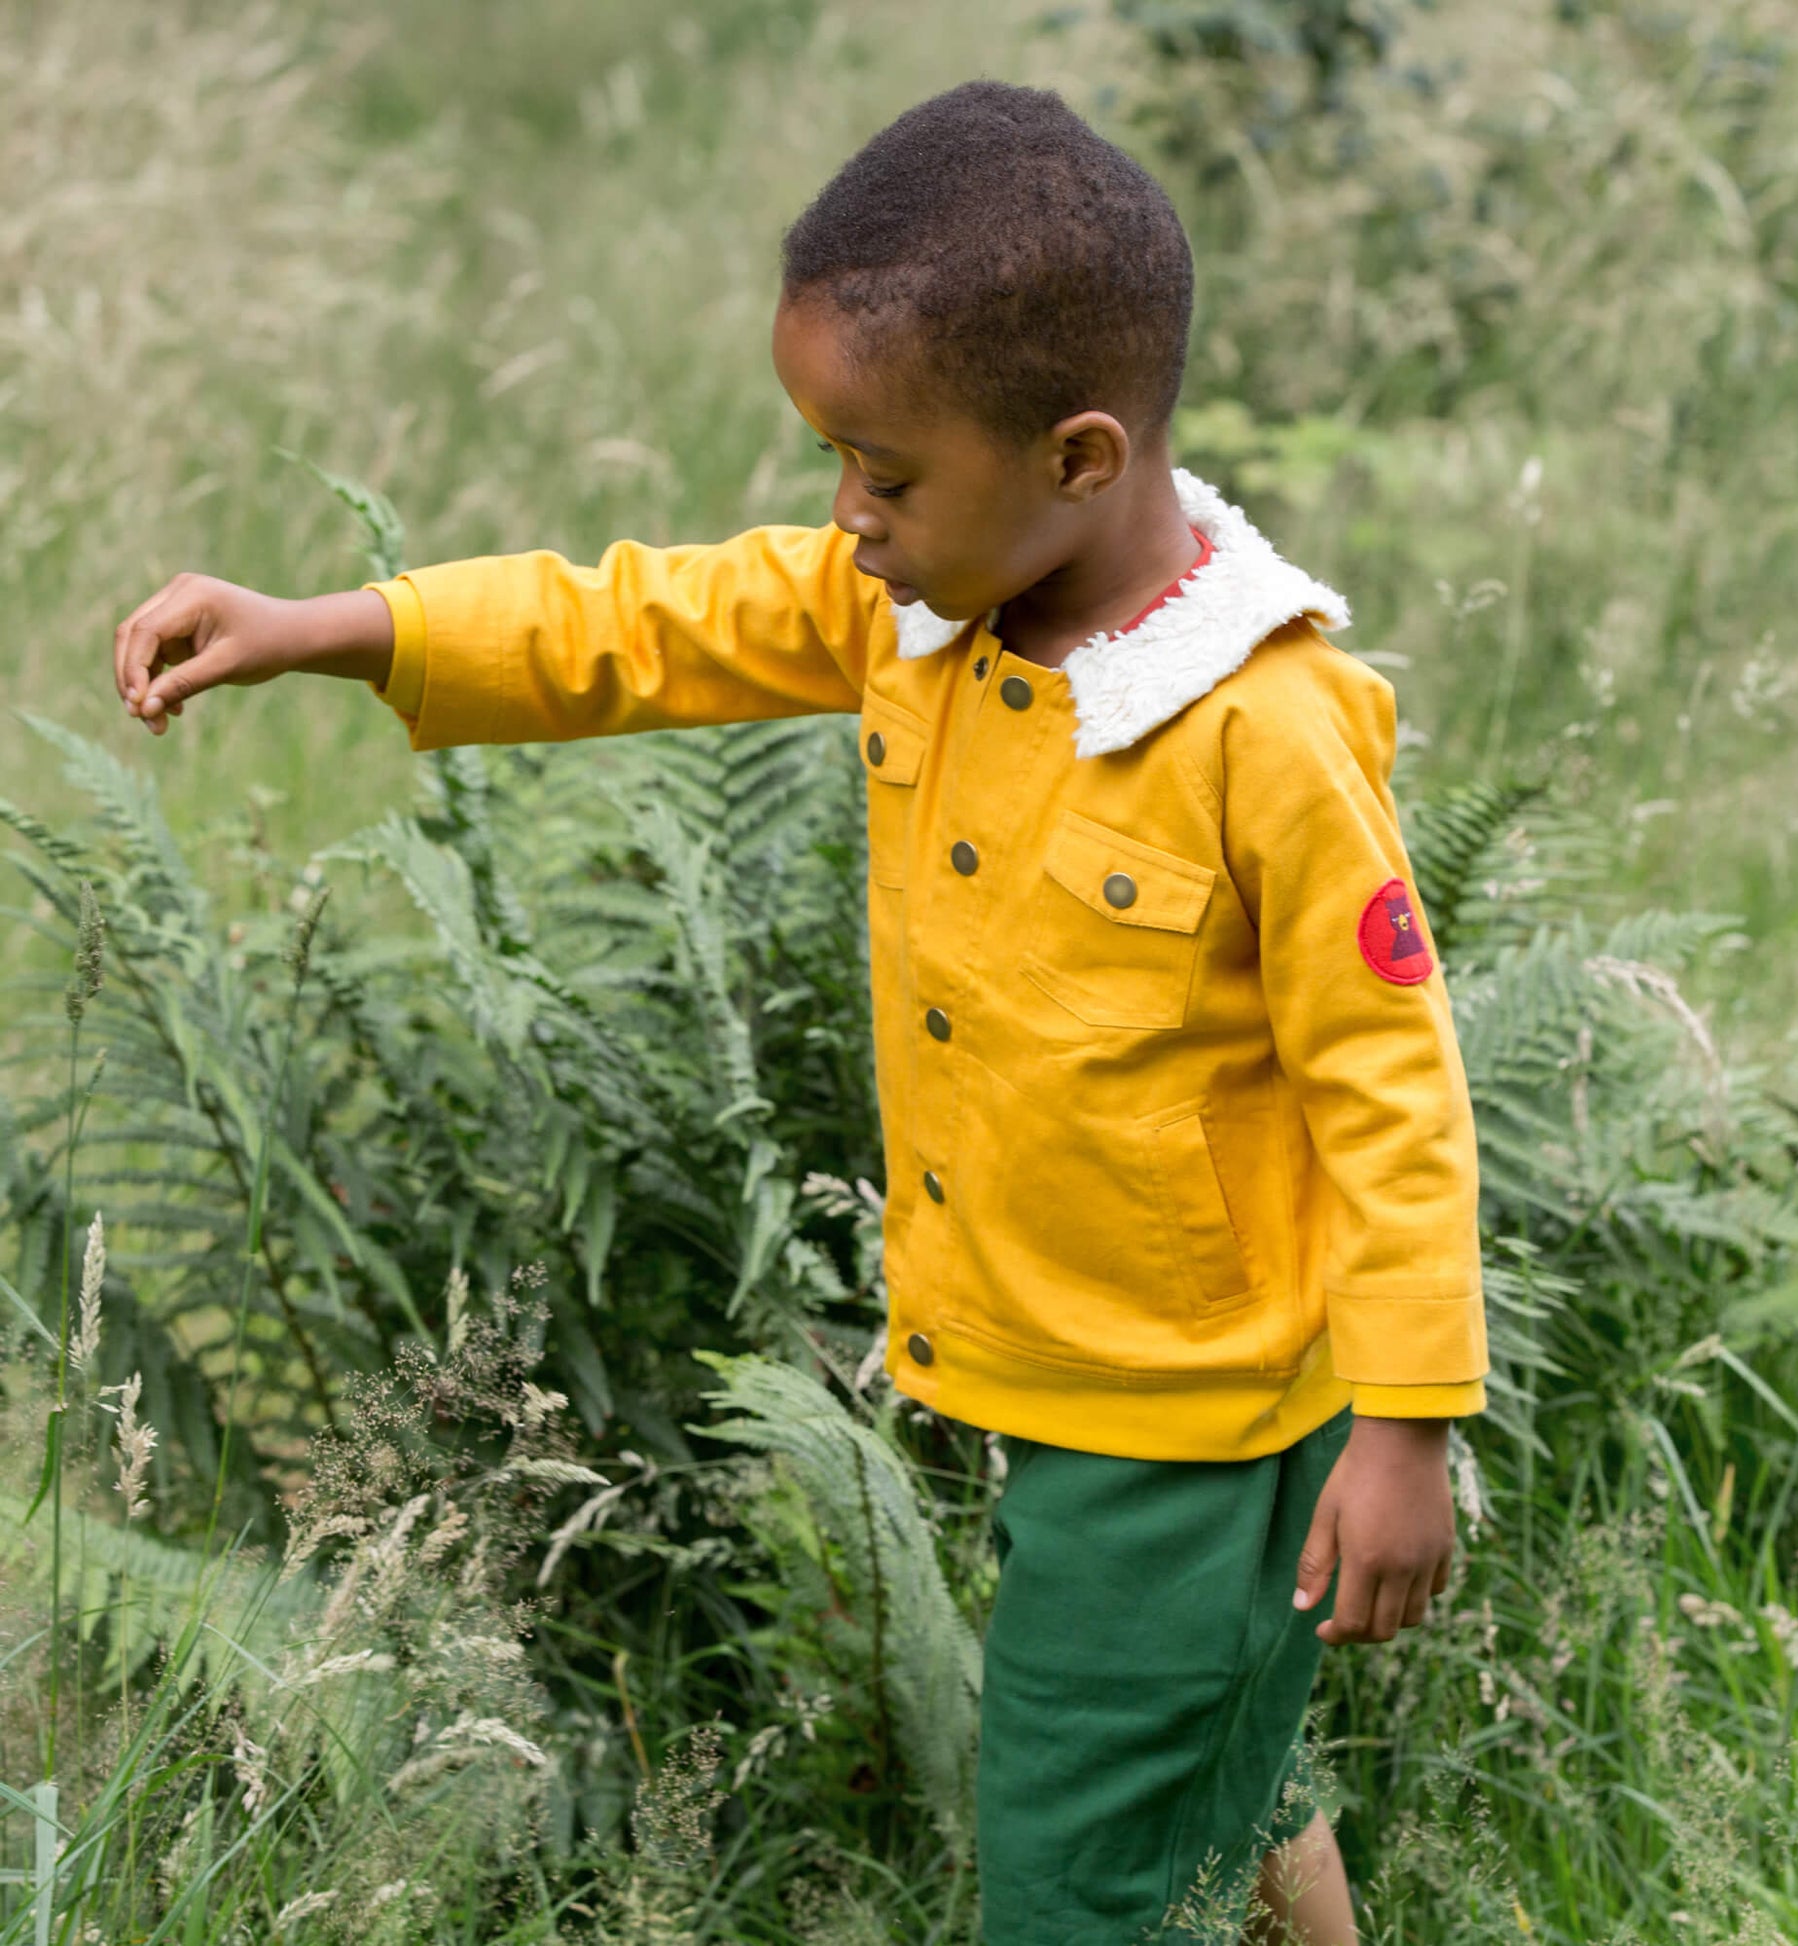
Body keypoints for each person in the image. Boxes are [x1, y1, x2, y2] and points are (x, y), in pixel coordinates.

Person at [110, 80, 1489, 1946]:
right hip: (1066, 1358)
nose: (846, 517)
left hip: (1177, 1414)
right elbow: (636, 624)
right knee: (1222, 1758)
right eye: (835, 460)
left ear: (1078, 458)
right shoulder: (919, 610)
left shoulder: (1260, 728)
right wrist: (338, 622)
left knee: (1072, 1866)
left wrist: (1407, 1422)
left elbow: (1387, 1082)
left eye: (886, 473)